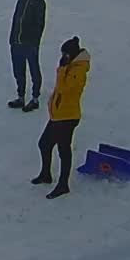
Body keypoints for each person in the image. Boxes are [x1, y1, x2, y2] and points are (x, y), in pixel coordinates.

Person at [32, 36, 91, 199]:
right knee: (44, 144)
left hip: (67, 117)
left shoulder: (78, 71)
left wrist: (62, 70)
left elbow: (64, 88)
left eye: (64, 54)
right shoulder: (72, 67)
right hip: (59, 115)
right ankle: (46, 174)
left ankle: (63, 184)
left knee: (63, 150)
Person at [8, 0, 46, 111]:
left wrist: (33, 42)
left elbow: (39, 25)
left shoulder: (39, 3)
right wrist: (12, 39)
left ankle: (35, 98)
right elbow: (15, 21)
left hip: (30, 45)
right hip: (16, 43)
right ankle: (21, 97)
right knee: (18, 70)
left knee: (34, 70)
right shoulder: (21, 1)